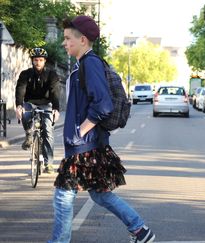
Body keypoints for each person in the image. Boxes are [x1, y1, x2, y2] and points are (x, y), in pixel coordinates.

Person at [48, 16, 155, 243]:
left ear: (83, 40)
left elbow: (103, 104)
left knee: (63, 196)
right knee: (100, 194)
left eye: (67, 38)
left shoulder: (91, 63)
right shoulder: (82, 64)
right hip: (88, 144)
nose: (63, 43)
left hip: (84, 145)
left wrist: (81, 131)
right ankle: (140, 230)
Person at [15, 47, 60, 174]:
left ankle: (49, 163)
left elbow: (55, 92)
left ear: (44, 61)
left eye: (40, 60)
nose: (38, 62)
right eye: (35, 60)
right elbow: (20, 89)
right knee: (25, 114)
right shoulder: (25, 74)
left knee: (48, 132)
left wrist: (56, 109)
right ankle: (29, 134)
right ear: (32, 61)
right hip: (30, 103)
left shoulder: (52, 74)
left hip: (46, 104)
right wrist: (19, 106)